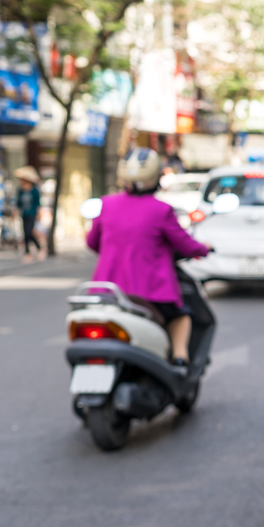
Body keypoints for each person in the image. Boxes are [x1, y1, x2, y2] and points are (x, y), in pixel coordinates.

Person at [87, 148, 210, 371]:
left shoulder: (106, 204)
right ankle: (180, 360)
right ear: (156, 177)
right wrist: (205, 248)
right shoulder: (161, 210)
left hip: (106, 293)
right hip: (150, 293)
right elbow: (186, 245)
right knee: (181, 316)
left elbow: (92, 243)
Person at [14, 166, 43, 261]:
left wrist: (39, 214)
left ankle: (39, 248)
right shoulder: (20, 190)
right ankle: (27, 252)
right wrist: (15, 212)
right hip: (24, 214)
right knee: (25, 233)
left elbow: (37, 203)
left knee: (29, 232)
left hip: (32, 214)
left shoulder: (34, 190)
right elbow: (18, 203)